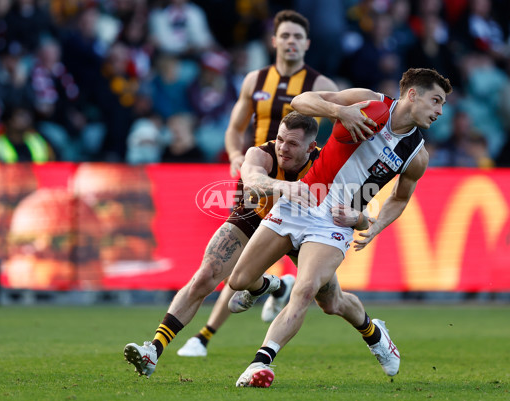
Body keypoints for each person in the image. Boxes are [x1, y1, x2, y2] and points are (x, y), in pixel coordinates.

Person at [227, 68, 452, 388]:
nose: (440, 111)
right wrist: (339, 111)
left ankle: (259, 364)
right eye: (436, 100)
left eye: (441, 104)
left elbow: (400, 198)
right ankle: (369, 330)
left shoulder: (417, 155)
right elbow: (302, 101)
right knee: (243, 281)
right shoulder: (368, 102)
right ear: (412, 95)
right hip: (300, 201)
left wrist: (373, 227)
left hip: (334, 222)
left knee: (305, 290)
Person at [123, 112, 365, 378]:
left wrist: (360, 219)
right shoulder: (262, 154)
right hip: (256, 215)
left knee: (331, 303)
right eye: (281, 139)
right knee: (205, 276)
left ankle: (374, 333)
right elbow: (252, 182)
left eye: (292, 144)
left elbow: (354, 205)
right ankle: (153, 351)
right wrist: (286, 188)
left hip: (308, 229)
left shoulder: (328, 162)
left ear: (311, 147)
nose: (283, 147)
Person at [175, 9, 339, 358]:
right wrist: (236, 155)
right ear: (274, 40)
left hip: (299, 184)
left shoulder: (322, 86)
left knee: (324, 293)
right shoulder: (254, 80)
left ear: (307, 44)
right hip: (258, 175)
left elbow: (341, 134)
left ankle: (212, 330)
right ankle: (205, 334)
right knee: (231, 261)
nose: (291, 42)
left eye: (298, 37)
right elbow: (234, 130)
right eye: (286, 36)